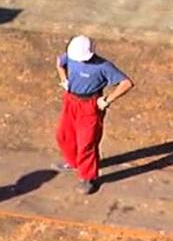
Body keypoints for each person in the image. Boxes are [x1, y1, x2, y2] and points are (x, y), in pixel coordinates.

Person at [54, 35, 134, 194]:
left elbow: (126, 83)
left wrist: (107, 100)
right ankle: (74, 162)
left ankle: (88, 177)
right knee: (64, 135)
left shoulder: (103, 66)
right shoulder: (71, 56)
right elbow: (59, 63)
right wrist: (64, 80)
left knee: (87, 143)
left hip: (90, 105)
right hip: (71, 101)